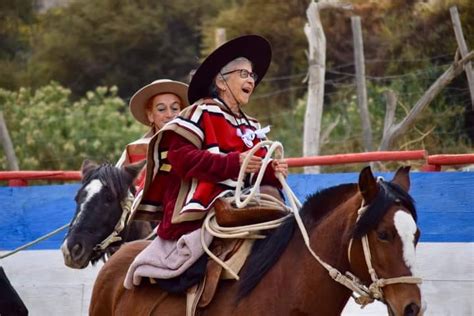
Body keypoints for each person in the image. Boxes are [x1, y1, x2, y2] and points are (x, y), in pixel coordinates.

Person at [137, 34, 288, 240]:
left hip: (245, 199)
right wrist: (233, 162)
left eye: (252, 75)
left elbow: (255, 170)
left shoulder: (251, 124)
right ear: (221, 81)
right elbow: (179, 158)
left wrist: (272, 170)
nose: (251, 80)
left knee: (278, 208)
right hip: (204, 205)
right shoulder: (199, 112)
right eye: (244, 73)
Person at [115, 79, 189, 190]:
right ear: (150, 115)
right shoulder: (133, 149)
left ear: (182, 112)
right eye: (161, 109)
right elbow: (116, 186)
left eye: (175, 108)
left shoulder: (196, 144)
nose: (169, 114)